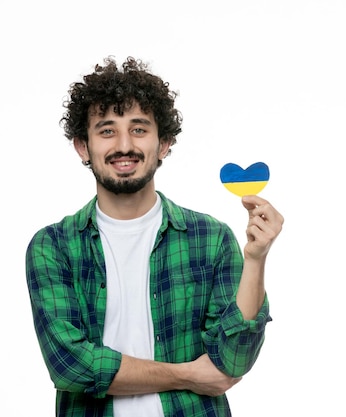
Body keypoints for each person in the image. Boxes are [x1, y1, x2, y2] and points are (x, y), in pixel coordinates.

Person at [25, 56, 284, 417]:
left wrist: (256, 259)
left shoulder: (210, 238)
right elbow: (70, 365)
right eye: (106, 130)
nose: (124, 145)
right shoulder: (53, 246)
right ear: (83, 147)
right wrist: (188, 375)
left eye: (139, 129)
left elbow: (232, 360)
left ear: (163, 144)